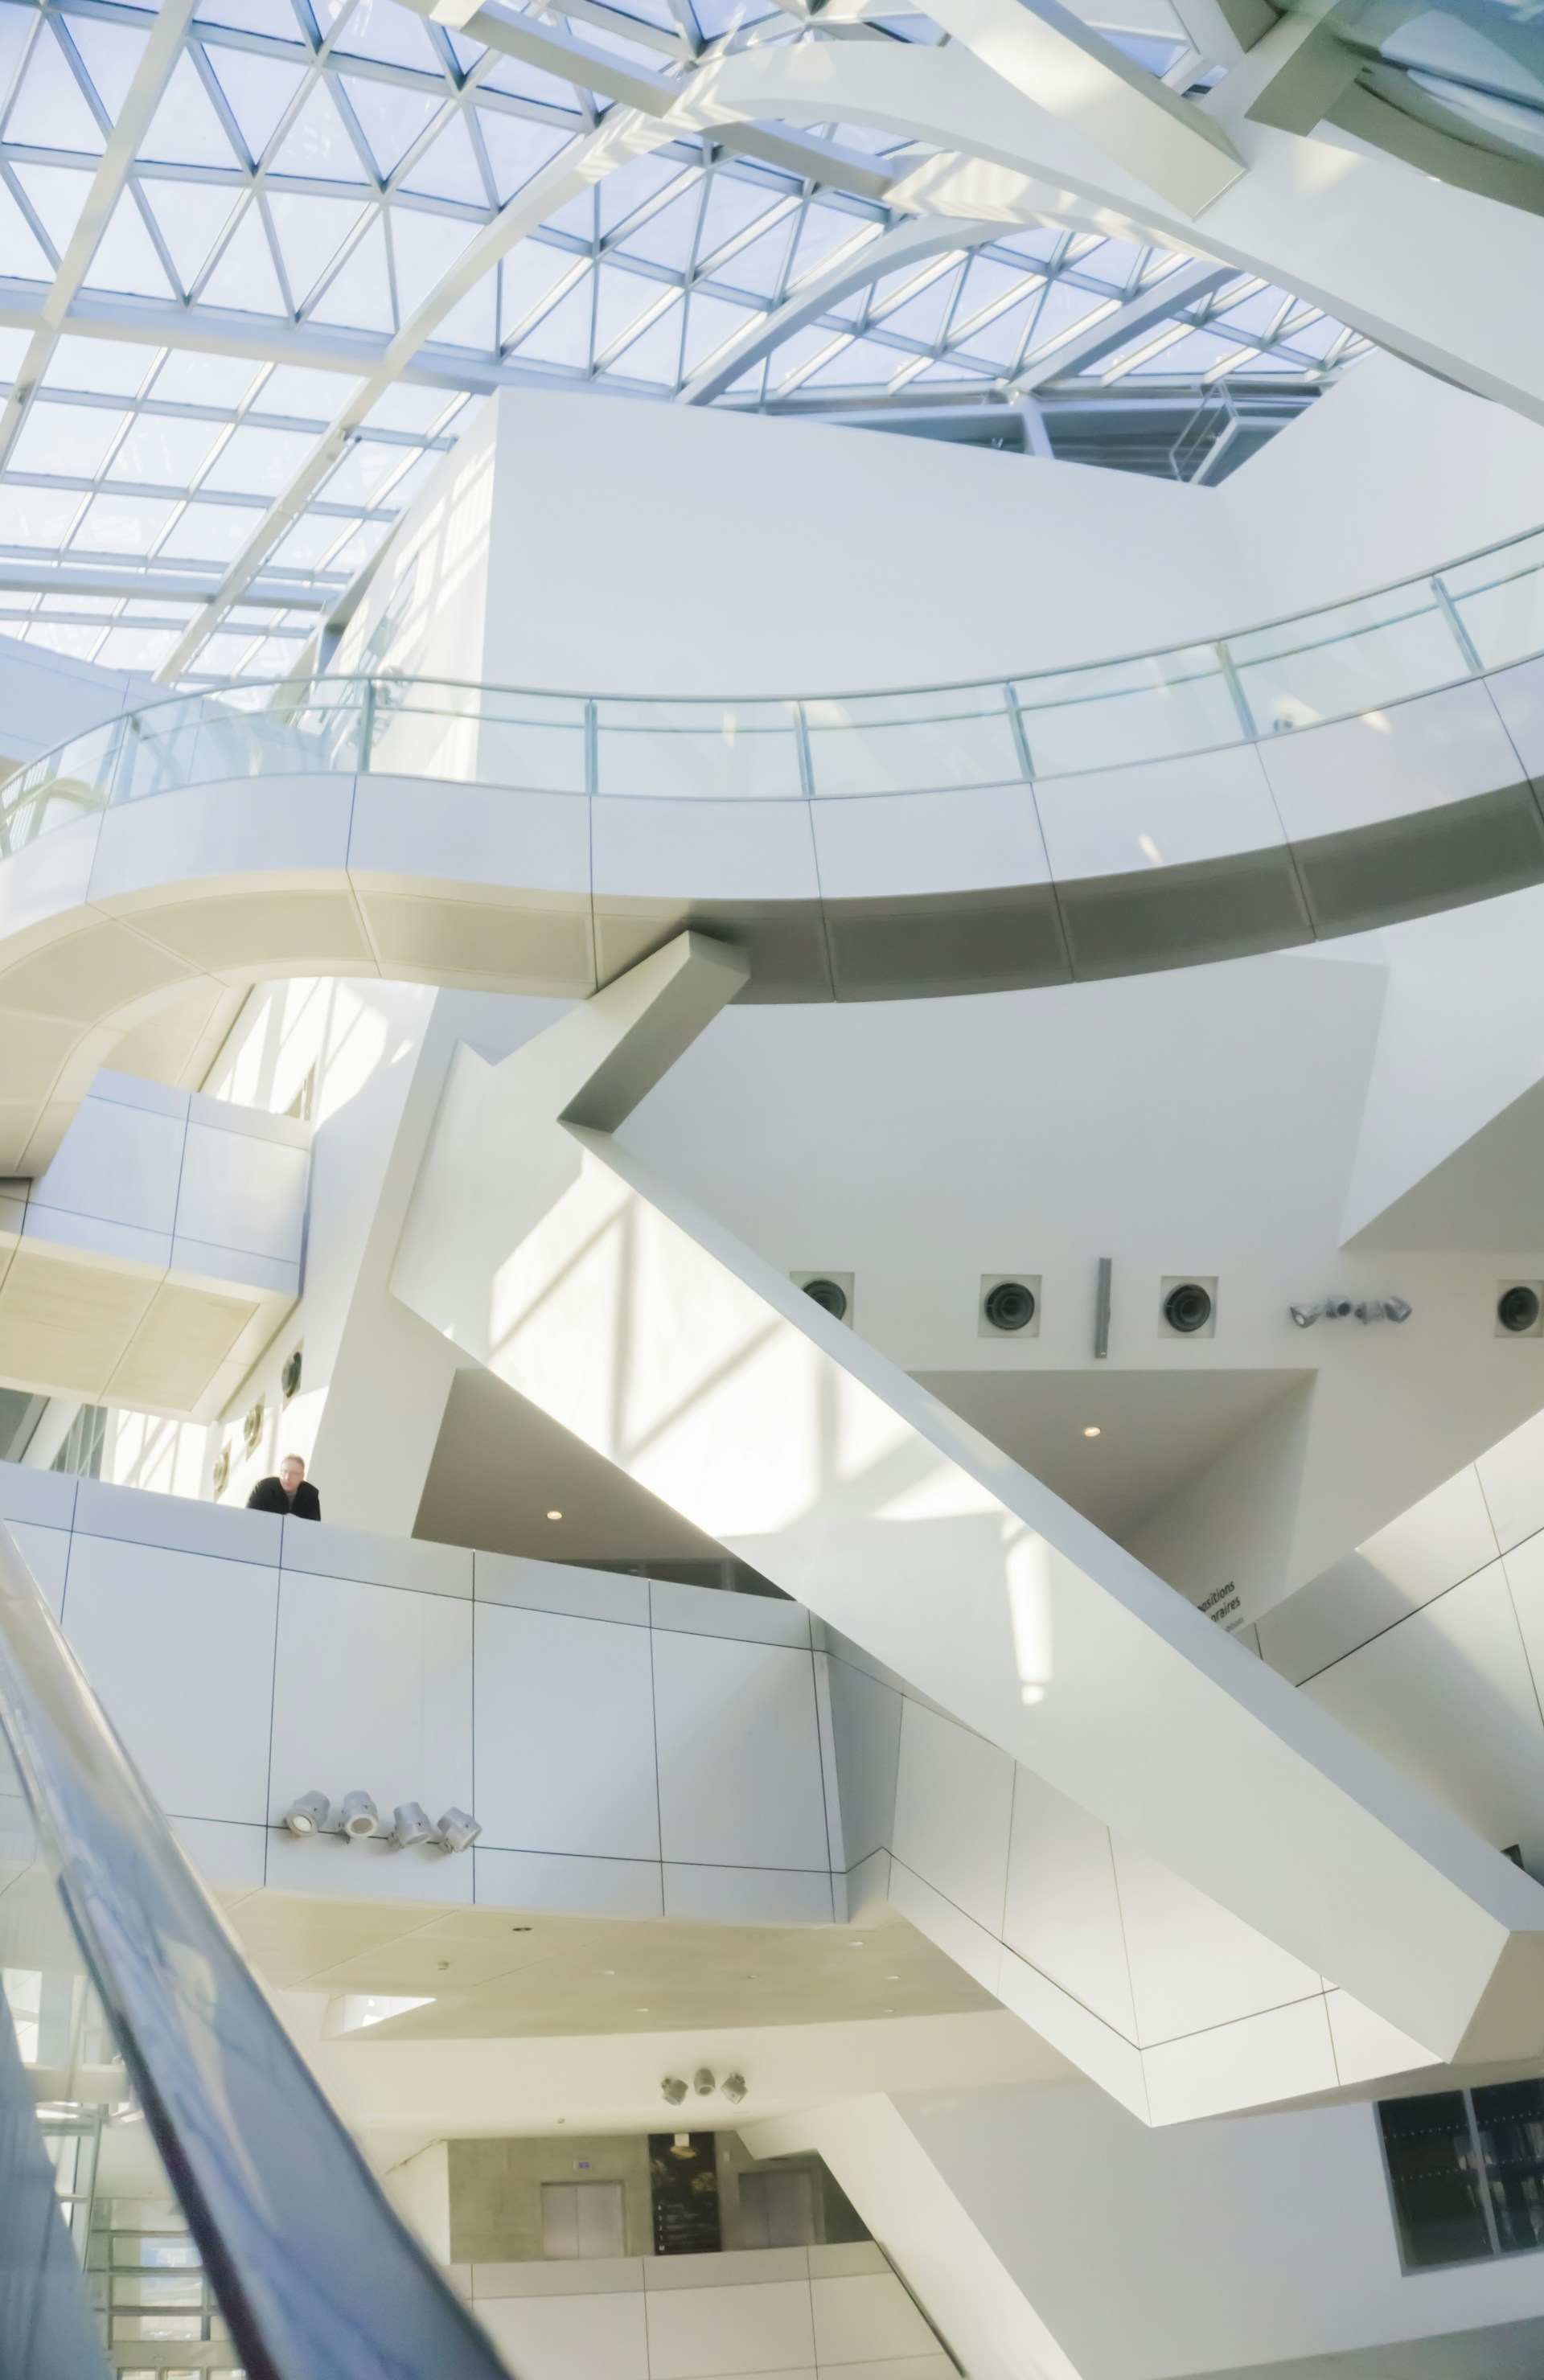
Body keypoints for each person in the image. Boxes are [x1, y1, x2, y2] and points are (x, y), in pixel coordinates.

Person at [247, 1452, 321, 1520]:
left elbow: (314, 1527)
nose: (287, 1477)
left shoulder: (311, 1494)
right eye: (284, 1472)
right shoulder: (264, 1488)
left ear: (302, 1476)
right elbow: (248, 1517)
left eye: (294, 1473)